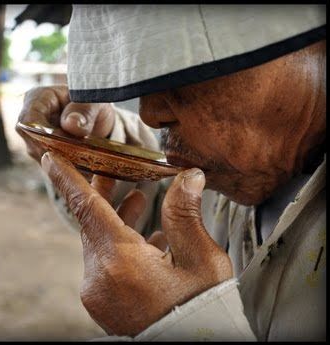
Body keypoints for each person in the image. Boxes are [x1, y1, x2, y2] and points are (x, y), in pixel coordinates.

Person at [16, 5, 326, 341]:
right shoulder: (229, 166)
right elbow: (164, 224)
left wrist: (186, 326)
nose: (150, 114)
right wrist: (103, 146)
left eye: (193, 67)